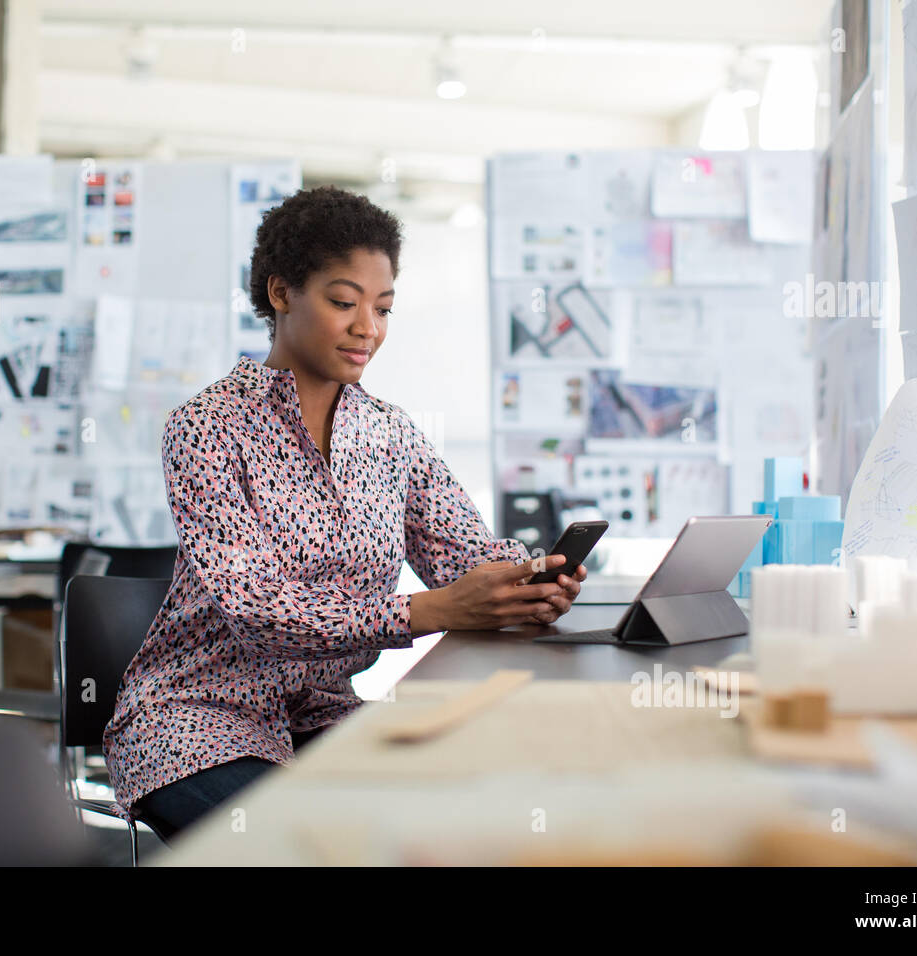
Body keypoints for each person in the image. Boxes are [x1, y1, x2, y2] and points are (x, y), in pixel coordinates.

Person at [102, 185, 587, 840]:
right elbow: (255, 610)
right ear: (281, 293)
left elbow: (466, 556)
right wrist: (437, 609)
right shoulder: (206, 427)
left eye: (383, 308)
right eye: (343, 302)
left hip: (327, 719)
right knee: (313, 850)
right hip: (196, 725)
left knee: (474, 820)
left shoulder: (391, 433)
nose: (369, 328)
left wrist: (527, 582)